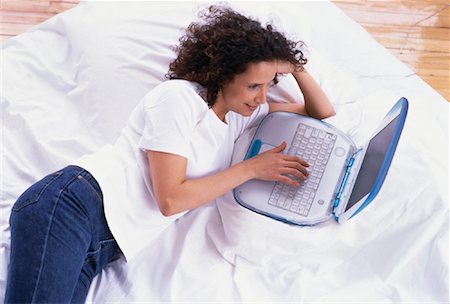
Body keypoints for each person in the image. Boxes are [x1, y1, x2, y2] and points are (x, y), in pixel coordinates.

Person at [5, 4, 335, 303]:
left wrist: (295, 67)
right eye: (253, 86)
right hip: (73, 208)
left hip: (102, 247)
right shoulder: (178, 99)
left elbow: (321, 112)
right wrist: (252, 169)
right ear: (223, 74)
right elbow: (170, 200)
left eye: (269, 84)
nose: (262, 98)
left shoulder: (239, 117)